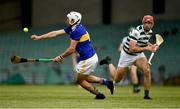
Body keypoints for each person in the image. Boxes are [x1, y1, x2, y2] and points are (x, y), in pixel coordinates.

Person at [31, 11, 114, 99]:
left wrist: (60, 57)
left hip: (88, 59)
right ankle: (108, 83)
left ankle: (99, 95)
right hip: (91, 57)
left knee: (79, 81)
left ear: (74, 20)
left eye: (69, 18)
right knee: (85, 77)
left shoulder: (77, 31)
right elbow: (55, 33)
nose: (67, 20)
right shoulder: (73, 27)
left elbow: (71, 49)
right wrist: (39, 37)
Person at [100, 15, 158, 99]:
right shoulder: (136, 32)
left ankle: (146, 95)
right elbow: (132, 49)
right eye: (145, 22)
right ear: (143, 23)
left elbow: (144, 41)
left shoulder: (150, 32)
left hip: (138, 55)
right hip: (127, 55)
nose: (147, 24)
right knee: (116, 79)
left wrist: (152, 46)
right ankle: (109, 62)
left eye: (149, 23)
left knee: (147, 70)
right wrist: (147, 48)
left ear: (152, 24)